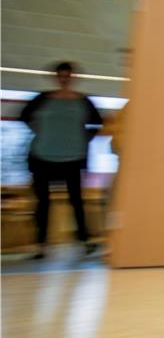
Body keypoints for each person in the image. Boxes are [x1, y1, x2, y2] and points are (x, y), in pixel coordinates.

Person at [19, 61, 103, 259]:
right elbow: (24, 117)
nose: (64, 79)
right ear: (56, 77)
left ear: (73, 78)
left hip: (72, 158)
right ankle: (40, 245)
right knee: (42, 203)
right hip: (42, 157)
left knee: (76, 201)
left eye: (68, 76)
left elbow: (97, 123)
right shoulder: (42, 99)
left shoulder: (83, 101)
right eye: (61, 76)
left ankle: (84, 240)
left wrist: (83, 139)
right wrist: (40, 131)